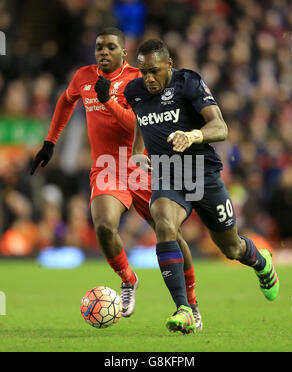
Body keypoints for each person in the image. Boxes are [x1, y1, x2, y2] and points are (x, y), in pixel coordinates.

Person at [30, 28, 202, 328]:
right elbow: (66, 100)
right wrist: (51, 141)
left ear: (124, 52)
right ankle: (128, 279)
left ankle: (191, 304)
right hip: (107, 168)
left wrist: (107, 100)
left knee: (170, 233)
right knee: (104, 227)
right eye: (99, 47)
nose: (103, 52)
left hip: (143, 164)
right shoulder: (83, 77)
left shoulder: (139, 78)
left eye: (110, 47)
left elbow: (137, 124)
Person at [125, 39, 279, 334]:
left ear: (169, 65)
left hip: (203, 174)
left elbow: (220, 127)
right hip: (168, 174)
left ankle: (262, 263)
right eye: (143, 72)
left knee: (231, 248)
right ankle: (184, 309)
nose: (148, 78)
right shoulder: (135, 92)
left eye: (154, 71)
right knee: (164, 224)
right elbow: (140, 122)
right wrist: (136, 151)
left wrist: (192, 135)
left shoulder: (188, 83)